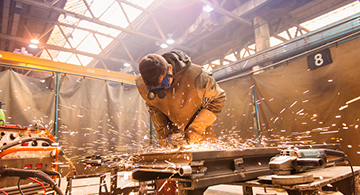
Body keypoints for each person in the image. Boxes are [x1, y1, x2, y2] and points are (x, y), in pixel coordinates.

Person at [136, 50, 226, 147]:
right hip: (173, 139)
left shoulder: (198, 77)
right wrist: (166, 134)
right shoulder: (141, 84)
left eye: (163, 83)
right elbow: (154, 107)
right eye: (155, 89)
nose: (163, 89)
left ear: (169, 68)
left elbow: (218, 99)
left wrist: (194, 131)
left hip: (200, 136)